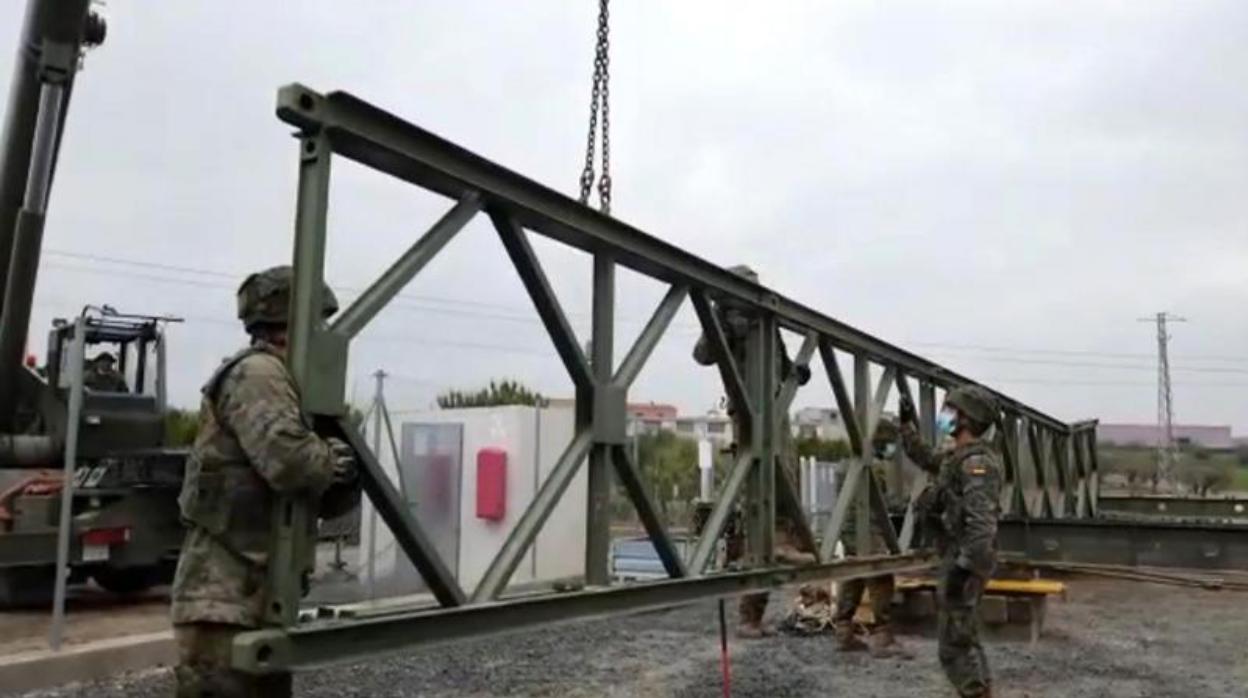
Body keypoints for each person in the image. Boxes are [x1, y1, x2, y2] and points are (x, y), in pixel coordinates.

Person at [171, 266, 360, 698]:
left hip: (253, 599)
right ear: (292, 324)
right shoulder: (258, 374)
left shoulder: (287, 382)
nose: (326, 335)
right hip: (222, 603)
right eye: (319, 324)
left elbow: (327, 496)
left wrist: (337, 463)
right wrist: (336, 459)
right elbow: (293, 464)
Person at [692, 264, 814, 639]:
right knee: (759, 486)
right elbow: (702, 354)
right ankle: (749, 612)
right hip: (747, 407)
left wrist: (796, 371)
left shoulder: (768, 320)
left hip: (775, 404)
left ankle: (782, 547)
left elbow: (779, 361)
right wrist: (721, 322)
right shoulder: (725, 317)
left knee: (785, 476)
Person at [898, 384, 1003, 698]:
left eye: (950, 411)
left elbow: (982, 525)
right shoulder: (957, 457)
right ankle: (982, 691)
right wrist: (907, 426)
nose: (944, 416)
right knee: (964, 635)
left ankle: (975, 692)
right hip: (958, 556)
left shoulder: (977, 464)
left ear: (967, 420)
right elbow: (927, 458)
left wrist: (964, 568)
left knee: (953, 647)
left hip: (965, 561)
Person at [831, 417, 911, 658]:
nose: (891, 448)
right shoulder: (872, 466)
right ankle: (882, 636)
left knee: (854, 575)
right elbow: (882, 501)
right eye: (888, 443)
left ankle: (843, 631)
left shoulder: (844, 465)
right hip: (869, 529)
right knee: (881, 578)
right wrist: (910, 503)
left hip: (848, 529)